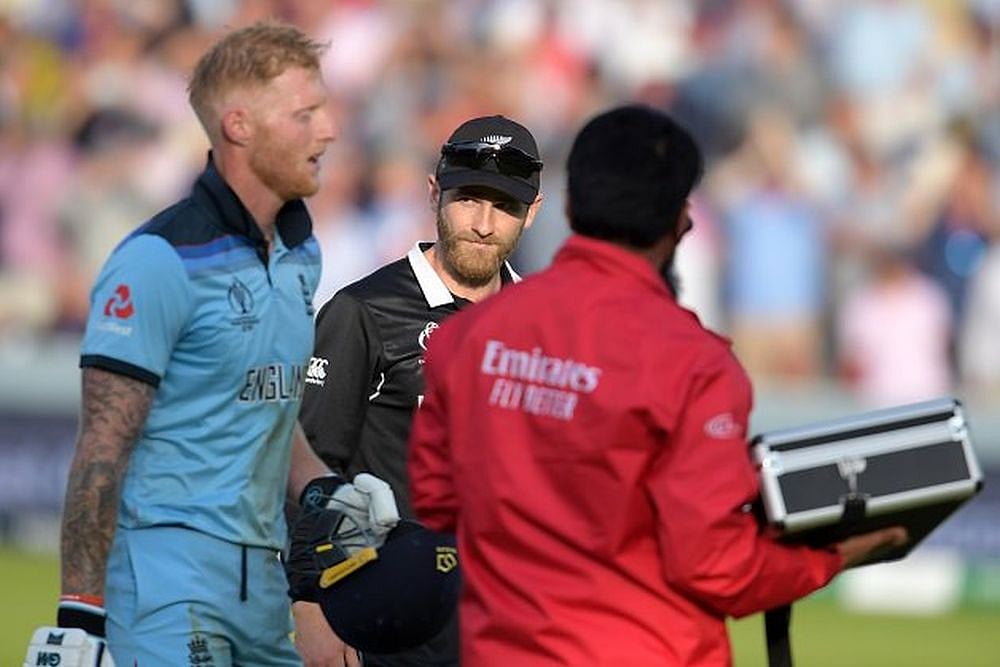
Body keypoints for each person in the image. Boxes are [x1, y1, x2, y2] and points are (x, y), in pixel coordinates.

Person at [407, 105, 907, 666]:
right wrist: (832, 556)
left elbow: (437, 501)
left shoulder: (466, 339)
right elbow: (717, 566)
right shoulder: (695, 365)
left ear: (567, 207)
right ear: (681, 223)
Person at [23, 22, 399, 667]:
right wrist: (78, 614)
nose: (330, 130)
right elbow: (102, 444)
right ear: (239, 125)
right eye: (305, 113)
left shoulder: (301, 252)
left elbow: (267, 404)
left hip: (263, 587)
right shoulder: (157, 261)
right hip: (165, 587)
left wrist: (325, 490)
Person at [296, 114, 543, 665]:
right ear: (434, 194)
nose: (483, 224)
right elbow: (309, 469)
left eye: (504, 206)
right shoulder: (362, 311)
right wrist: (310, 604)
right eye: (468, 199)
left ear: (532, 213)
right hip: (390, 623)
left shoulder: (544, 324)